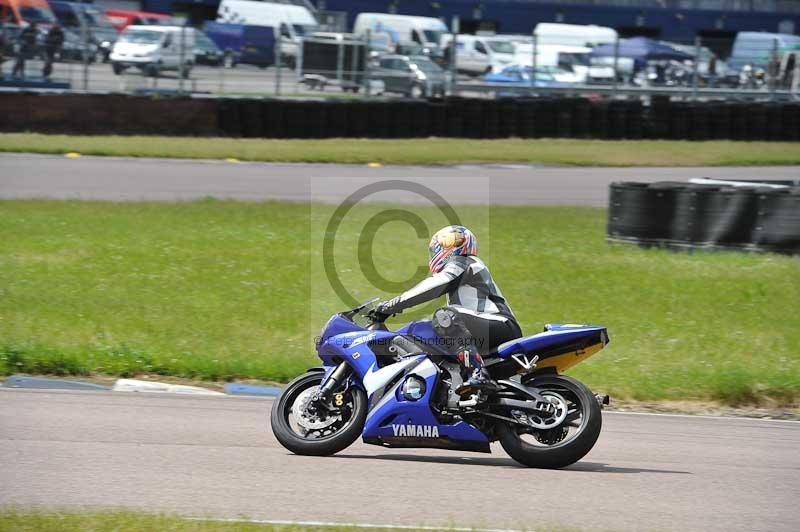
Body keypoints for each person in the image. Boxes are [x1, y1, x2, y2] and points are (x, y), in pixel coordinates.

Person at [371, 226, 522, 397]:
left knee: (445, 316)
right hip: (486, 326)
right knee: (423, 327)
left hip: (499, 324)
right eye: (443, 242)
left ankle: (478, 374)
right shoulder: (464, 271)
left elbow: (433, 286)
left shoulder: (465, 262)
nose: (445, 246)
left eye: (451, 241)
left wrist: (391, 305)